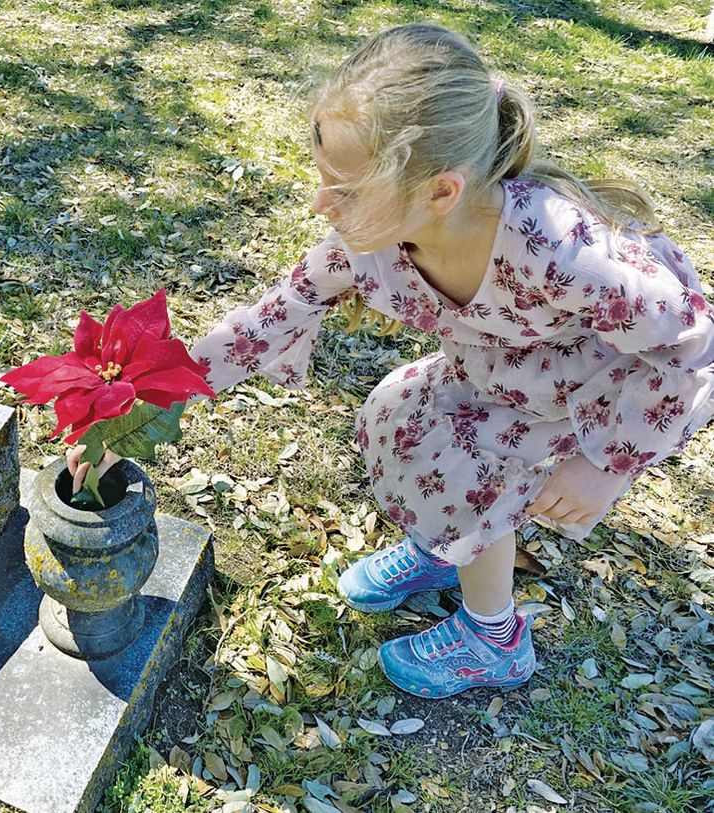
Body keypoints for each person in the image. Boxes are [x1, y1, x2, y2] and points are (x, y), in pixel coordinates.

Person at [70, 23, 714, 698]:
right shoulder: (369, 241)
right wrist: (136, 411)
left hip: (587, 391)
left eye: (344, 190)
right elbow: (266, 323)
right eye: (324, 181)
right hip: (489, 374)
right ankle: (446, 551)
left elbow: (691, 344)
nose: (322, 204)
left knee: (478, 472)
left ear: (441, 193)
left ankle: (493, 639)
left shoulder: (557, 248)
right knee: (403, 421)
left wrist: (606, 465)